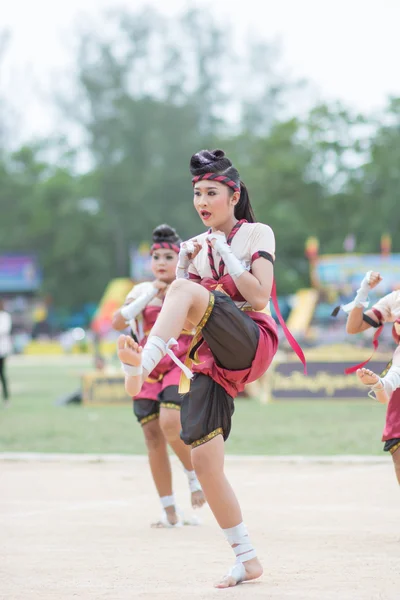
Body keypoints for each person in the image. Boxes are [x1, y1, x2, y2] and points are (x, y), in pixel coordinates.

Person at [117, 149, 305, 587]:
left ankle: (144, 361)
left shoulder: (257, 233)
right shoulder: (197, 251)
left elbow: (258, 297)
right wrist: (186, 261)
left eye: (211, 192)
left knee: (185, 290)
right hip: (212, 357)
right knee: (203, 461)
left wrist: (223, 254)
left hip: (250, 340)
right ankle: (246, 558)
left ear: (234, 195)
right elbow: (185, 317)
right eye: (197, 194)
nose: (202, 201)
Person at [112, 224, 205, 527]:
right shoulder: (140, 290)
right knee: (152, 437)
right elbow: (118, 321)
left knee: (169, 421)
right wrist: (150, 293)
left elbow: (196, 325)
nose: (162, 262)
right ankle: (169, 512)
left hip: (178, 365)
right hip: (146, 369)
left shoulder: (188, 288)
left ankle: (194, 478)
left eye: (169, 256)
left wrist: (169, 292)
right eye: (157, 257)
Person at [343, 270, 400, 485]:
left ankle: (384, 384)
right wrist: (364, 289)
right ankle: (384, 384)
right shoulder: (395, 299)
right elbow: (353, 327)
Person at [0, 299, 12, 405]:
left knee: (2, 374)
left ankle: (6, 398)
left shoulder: (5, 316)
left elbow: (4, 330)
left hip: (2, 350)